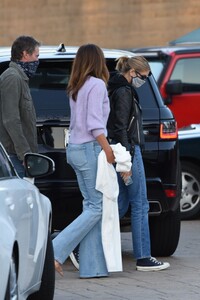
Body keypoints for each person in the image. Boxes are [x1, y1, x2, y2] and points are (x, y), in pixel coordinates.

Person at [53, 44, 115, 278]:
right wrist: (107, 149)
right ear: (97, 60)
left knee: (90, 206)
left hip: (76, 149)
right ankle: (55, 250)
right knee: (96, 207)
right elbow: (94, 124)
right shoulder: (97, 85)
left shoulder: (77, 86)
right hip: (89, 148)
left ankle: (92, 267)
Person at [107, 56, 170, 271]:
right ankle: (143, 257)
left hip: (122, 151)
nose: (144, 80)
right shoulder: (124, 92)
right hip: (129, 152)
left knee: (121, 203)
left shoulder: (116, 88)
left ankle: (87, 242)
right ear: (132, 72)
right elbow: (121, 127)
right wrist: (129, 160)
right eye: (144, 76)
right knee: (140, 203)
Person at [0, 35, 40, 178]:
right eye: (36, 55)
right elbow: (11, 120)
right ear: (25, 54)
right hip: (15, 157)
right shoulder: (12, 78)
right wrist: (24, 154)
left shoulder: (20, 78)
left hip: (20, 156)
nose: (37, 60)